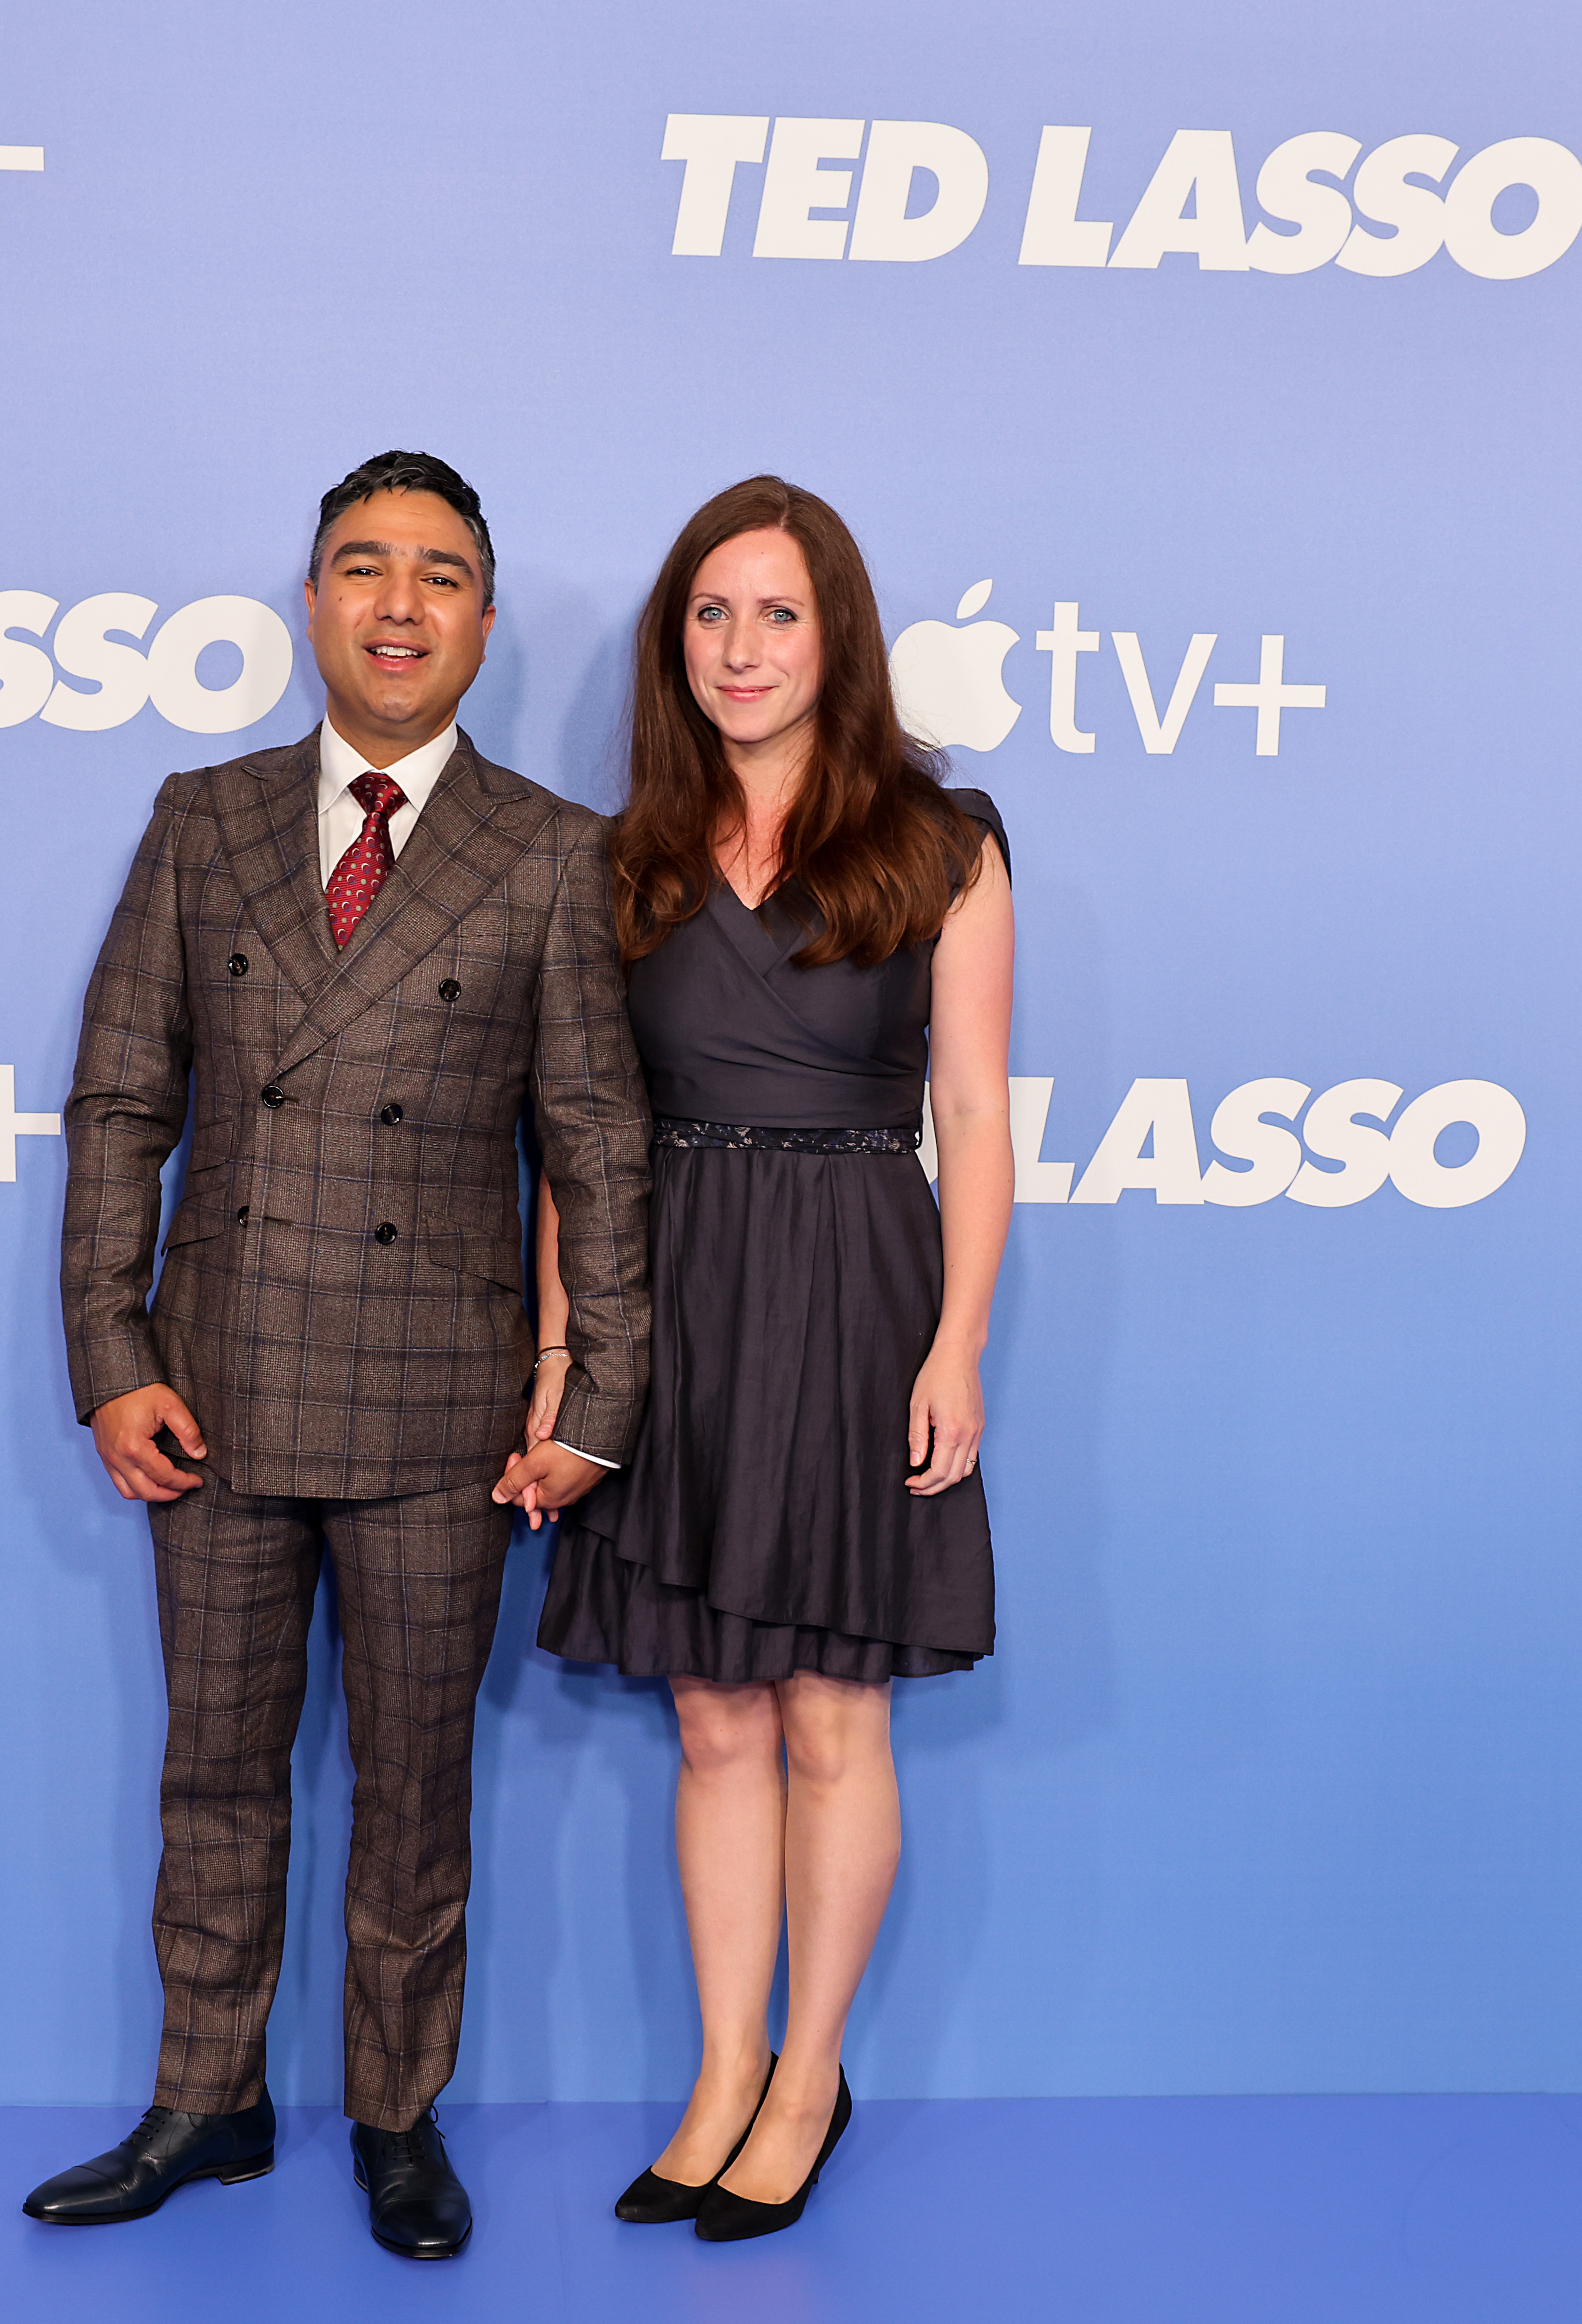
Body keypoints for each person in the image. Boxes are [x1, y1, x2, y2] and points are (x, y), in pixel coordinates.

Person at [31, 451, 653, 2260]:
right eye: (361, 568)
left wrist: (594, 1399)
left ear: (480, 619)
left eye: (438, 575)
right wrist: (108, 1349)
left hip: (441, 1410)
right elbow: (119, 1102)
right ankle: (207, 2096)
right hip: (210, 1384)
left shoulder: (550, 853)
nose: (397, 603)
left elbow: (599, 1151)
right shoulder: (199, 816)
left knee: (413, 1785)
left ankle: (396, 2114)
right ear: (308, 605)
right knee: (213, 1766)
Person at [517, 476, 1015, 2242]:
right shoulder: (618, 859)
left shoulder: (943, 842)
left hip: (858, 1285)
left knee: (828, 1709)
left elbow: (969, 1105)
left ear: (837, 637)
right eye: (710, 615)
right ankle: (719, 2074)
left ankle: (808, 2077)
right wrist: (569, 1353)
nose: (740, 647)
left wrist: (955, 1342)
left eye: (776, 613)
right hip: (677, 1290)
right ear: (676, 646)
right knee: (712, 1714)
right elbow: (588, 1129)